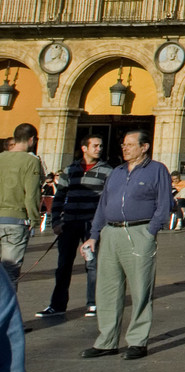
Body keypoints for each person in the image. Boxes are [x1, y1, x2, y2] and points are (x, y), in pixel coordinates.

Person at [82, 129, 171, 360]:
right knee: (107, 290)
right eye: (124, 145)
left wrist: (151, 231)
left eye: (131, 144)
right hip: (111, 232)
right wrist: (94, 235)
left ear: (144, 147)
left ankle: (137, 341)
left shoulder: (156, 170)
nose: (125, 148)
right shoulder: (117, 172)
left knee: (141, 288)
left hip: (139, 231)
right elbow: (103, 204)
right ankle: (106, 341)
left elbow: (164, 203)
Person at [39, 134, 109, 319]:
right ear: (84, 148)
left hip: (92, 225)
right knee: (63, 265)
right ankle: (57, 305)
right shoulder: (70, 170)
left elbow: (107, 200)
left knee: (92, 264)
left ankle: (93, 303)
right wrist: (56, 222)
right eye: (95, 145)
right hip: (69, 223)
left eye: (101, 146)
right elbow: (59, 198)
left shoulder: (107, 171)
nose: (99, 149)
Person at [0, 125, 42, 284]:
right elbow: (31, 194)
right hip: (16, 220)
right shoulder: (31, 161)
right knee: (10, 273)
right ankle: (6, 308)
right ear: (31, 139)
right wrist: (34, 219)